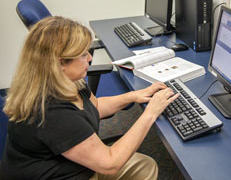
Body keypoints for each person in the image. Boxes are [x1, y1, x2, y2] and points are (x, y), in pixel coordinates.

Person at [0, 16, 179, 180]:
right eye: (84, 54)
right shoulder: (51, 112)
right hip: (62, 175)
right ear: (61, 62)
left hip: (72, 165)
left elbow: (95, 106)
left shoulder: (66, 80)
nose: (90, 57)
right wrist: (150, 113)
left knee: (144, 166)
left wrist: (134, 95)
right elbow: (110, 163)